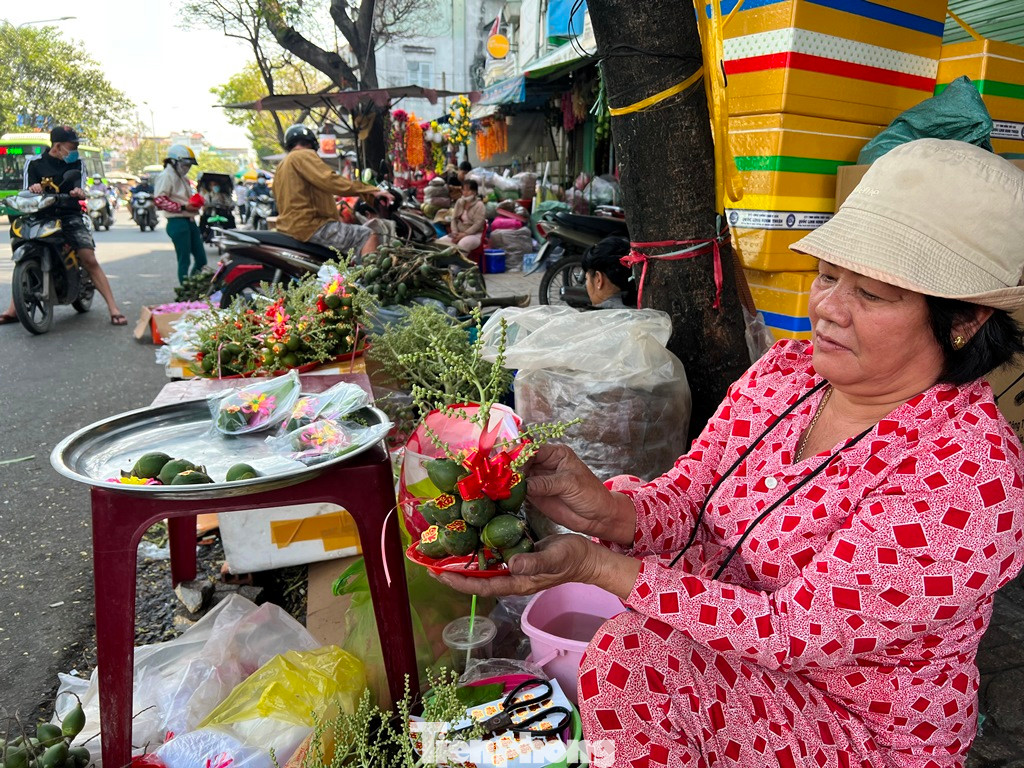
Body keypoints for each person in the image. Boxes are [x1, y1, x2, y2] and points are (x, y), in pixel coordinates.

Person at [436, 140, 1024, 767]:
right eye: (827, 276)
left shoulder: (968, 476)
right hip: (730, 662)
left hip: (858, 726)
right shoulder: (786, 374)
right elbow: (690, 495)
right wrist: (606, 511)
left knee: (633, 658)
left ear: (963, 321)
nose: (827, 308)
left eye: (872, 295)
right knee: (635, 647)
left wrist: (597, 566)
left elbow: (793, 630)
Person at [0, 125, 126, 326]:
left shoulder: (77, 163)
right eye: (72, 146)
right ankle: (14, 309)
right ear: (57, 146)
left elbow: (80, 186)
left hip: (69, 215)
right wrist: (33, 188)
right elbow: (26, 192)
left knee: (88, 258)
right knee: (23, 250)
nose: (75, 150)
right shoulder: (34, 163)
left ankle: (114, 308)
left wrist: (78, 192)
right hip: (40, 215)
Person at [273, 124, 389, 257]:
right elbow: (331, 180)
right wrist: (372, 191)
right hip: (311, 226)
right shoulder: (303, 155)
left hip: (290, 228)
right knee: (368, 235)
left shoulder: (282, 165)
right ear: (312, 143)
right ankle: (367, 270)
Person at [153, 145, 207, 284]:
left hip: (190, 220)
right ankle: (185, 290)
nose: (187, 168)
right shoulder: (166, 176)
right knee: (184, 260)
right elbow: (159, 200)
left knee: (201, 260)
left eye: (189, 165)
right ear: (173, 161)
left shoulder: (182, 177)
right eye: (185, 165)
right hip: (177, 221)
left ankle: (194, 287)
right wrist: (183, 207)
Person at [581, 236, 637, 308]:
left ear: (598, 279)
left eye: (587, 278)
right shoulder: (642, 308)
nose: (585, 286)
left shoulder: (599, 314)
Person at [437, 179, 485, 255]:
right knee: (440, 243)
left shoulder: (479, 205)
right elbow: (454, 219)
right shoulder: (459, 202)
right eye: (463, 190)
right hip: (458, 233)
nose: (465, 192)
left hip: (474, 234)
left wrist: (465, 234)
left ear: (474, 192)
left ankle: (458, 263)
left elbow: (478, 224)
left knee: (462, 245)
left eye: (468, 190)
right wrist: (455, 232)